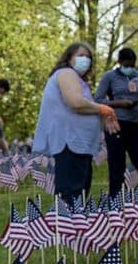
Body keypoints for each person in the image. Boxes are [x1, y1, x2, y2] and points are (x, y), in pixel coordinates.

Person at [31, 43, 117, 204]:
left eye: (88, 57)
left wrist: (101, 114)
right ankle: (67, 228)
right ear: (69, 58)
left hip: (79, 145)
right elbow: (76, 103)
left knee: (79, 194)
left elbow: (84, 107)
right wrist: (103, 109)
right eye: (81, 55)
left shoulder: (77, 80)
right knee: (71, 196)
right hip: (70, 143)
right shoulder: (66, 73)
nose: (85, 60)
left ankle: (75, 227)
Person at [93, 48, 138, 194]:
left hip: (134, 125)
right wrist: (119, 103)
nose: (130, 68)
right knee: (117, 166)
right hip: (115, 124)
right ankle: (116, 202)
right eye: (127, 65)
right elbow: (97, 100)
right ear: (120, 62)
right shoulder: (109, 77)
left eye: (132, 65)